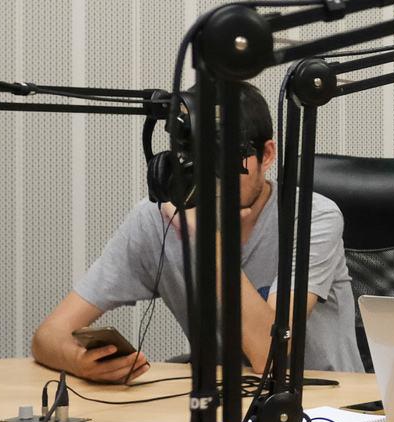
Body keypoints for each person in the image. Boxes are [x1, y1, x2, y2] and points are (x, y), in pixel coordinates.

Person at [30, 82, 360, 380]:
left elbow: (269, 356)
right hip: (220, 404)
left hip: (329, 404)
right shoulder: (157, 220)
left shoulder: (313, 217)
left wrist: (208, 238)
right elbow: (48, 335)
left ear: (267, 155)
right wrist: (78, 361)